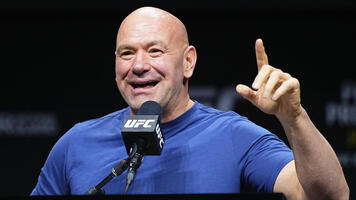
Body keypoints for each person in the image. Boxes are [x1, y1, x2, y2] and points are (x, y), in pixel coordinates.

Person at [31, 6, 349, 199]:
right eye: (127, 53)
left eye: (155, 51)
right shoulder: (75, 144)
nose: (138, 65)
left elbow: (330, 196)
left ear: (188, 63)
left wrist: (295, 118)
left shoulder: (234, 136)